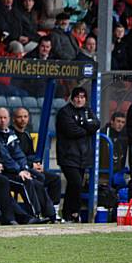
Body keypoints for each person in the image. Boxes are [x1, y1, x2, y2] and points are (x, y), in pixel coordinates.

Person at [0, 107, 55, 220]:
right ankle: (34, 215)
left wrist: (26, 168)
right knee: (26, 182)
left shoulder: (11, 134)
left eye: (4, 118)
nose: (2, 120)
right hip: (5, 171)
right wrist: (20, 170)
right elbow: (5, 156)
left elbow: (19, 154)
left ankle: (51, 214)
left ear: (8, 119)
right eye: (0, 118)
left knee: (38, 181)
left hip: (17, 169)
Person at [55, 87, 100, 222]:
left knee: (75, 184)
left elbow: (96, 124)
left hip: (83, 156)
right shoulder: (64, 112)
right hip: (67, 155)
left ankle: (69, 214)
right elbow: (71, 130)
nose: (79, 99)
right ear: (72, 98)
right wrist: (87, 129)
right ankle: (73, 212)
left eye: (82, 97)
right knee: (75, 183)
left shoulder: (87, 111)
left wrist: (83, 125)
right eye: (77, 97)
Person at [12, 107, 62, 207]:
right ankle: (39, 209)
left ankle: (53, 209)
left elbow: (31, 155)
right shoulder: (11, 135)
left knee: (55, 179)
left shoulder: (27, 135)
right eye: (20, 117)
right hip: (19, 169)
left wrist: (37, 165)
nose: (23, 119)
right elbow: (14, 157)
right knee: (39, 178)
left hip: (30, 167)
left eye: (25, 117)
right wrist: (31, 165)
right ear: (14, 119)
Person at [100, 112, 128, 186]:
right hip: (104, 170)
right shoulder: (103, 133)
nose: (120, 124)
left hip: (119, 171)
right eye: (118, 121)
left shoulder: (125, 134)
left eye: (123, 122)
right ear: (112, 122)